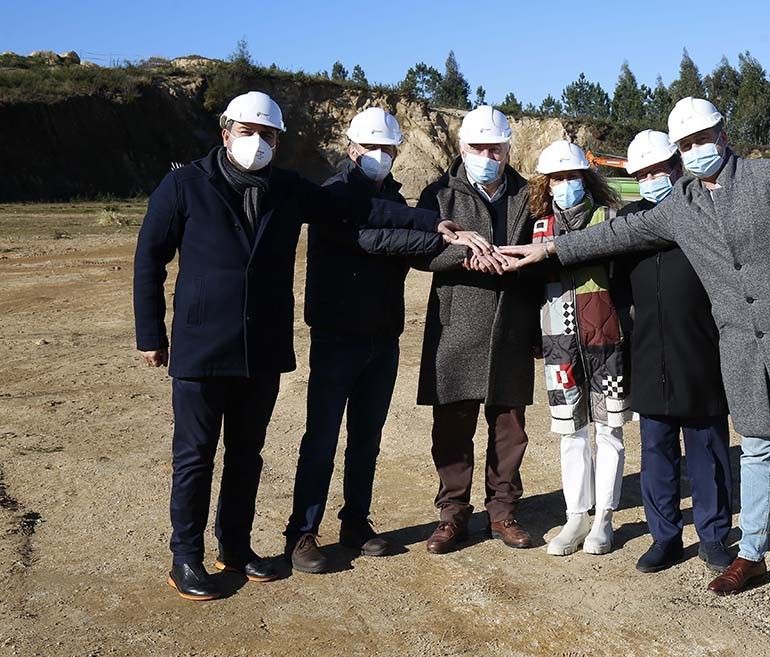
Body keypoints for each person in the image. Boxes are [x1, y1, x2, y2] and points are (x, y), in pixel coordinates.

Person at [499, 98, 770, 611]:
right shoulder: (683, 206)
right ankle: (753, 552)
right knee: (758, 451)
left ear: (723, 133)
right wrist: (549, 250)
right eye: (686, 145)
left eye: (702, 140)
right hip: (742, 345)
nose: (696, 151)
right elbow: (617, 232)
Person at [133, 91, 483, 601]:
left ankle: (233, 546)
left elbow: (356, 206)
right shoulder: (185, 185)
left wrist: (432, 222)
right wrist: (151, 335)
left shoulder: (287, 188)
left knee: (247, 455)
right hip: (202, 346)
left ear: (278, 140)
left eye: (268, 135)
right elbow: (149, 260)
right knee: (194, 458)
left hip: (262, 347)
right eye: (248, 132)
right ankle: (185, 556)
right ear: (225, 131)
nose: (258, 143)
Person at [284, 107, 446, 574]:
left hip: (383, 335)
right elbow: (374, 240)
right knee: (321, 438)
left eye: (387, 148)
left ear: (396, 152)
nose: (378, 155)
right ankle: (302, 533)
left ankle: (355, 522)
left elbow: (400, 236)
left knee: (366, 438)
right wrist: (437, 234)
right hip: (337, 337)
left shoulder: (396, 196)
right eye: (370, 147)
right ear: (351, 149)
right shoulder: (333, 195)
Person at [412, 105, 541, 554]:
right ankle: (452, 515)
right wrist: (460, 254)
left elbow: (543, 249)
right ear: (462, 147)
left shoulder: (529, 194)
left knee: (510, 427)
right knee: (452, 424)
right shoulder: (439, 194)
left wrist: (519, 262)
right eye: (479, 146)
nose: (488, 154)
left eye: (496, 147)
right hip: (456, 326)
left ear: (508, 148)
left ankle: (503, 512)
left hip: (512, 322)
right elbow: (420, 252)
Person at [615, 130, 734, 574]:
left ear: (676, 167)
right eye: (642, 173)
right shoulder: (629, 222)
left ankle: (714, 536)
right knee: (656, 450)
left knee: (708, 449)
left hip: (701, 349)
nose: (651, 179)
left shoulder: (705, 212)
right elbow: (616, 288)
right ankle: (664, 536)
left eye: (658, 170)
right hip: (647, 352)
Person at [528, 140, 631, 557]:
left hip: (607, 342)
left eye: (572, 175)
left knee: (610, 430)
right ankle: (575, 517)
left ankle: (604, 518)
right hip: (559, 345)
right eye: (557, 177)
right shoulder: (538, 227)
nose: (565, 183)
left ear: (585, 178)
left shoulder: (608, 218)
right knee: (570, 432)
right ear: (546, 184)